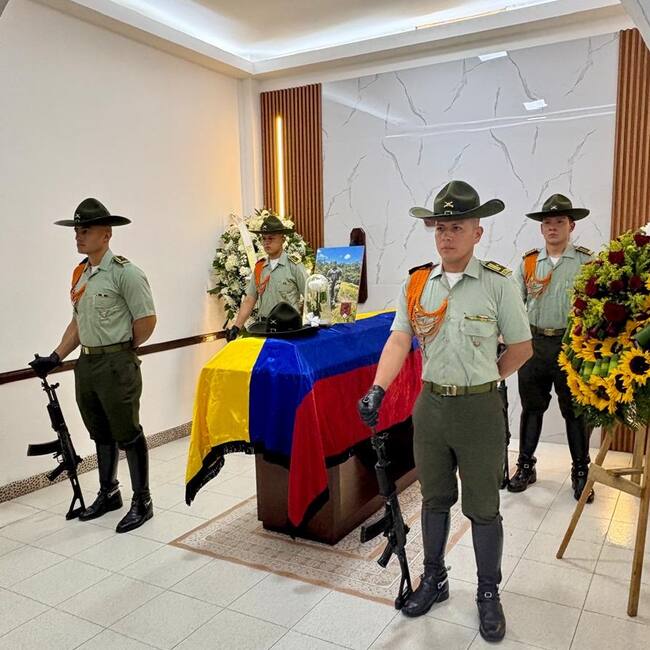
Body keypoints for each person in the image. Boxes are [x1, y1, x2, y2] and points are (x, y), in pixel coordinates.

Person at [357, 180, 532, 643]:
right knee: (434, 499)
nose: (447, 236)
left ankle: (488, 593)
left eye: (457, 227)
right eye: (440, 228)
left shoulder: (498, 283)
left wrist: (488, 378)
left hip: (479, 411)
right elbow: (400, 339)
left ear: (477, 232)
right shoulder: (417, 284)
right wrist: (377, 388)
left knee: (483, 507)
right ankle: (434, 579)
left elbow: (522, 347)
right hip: (431, 407)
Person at [29, 198, 157, 533]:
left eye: (85, 230)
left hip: (116, 363)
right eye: (76, 230)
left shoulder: (126, 273)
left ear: (106, 234)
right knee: (100, 431)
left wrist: (121, 349)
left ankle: (142, 500)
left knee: (128, 431)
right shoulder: (81, 275)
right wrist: (56, 356)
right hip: (86, 363)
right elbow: (77, 323)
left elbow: (146, 320)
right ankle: (109, 493)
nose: (78, 236)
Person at [510, 194, 595, 501]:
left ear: (571, 226)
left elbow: (597, 306)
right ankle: (525, 466)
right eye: (548, 222)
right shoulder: (528, 263)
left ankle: (581, 471)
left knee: (574, 410)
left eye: (560, 221)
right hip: (533, 345)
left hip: (571, 347)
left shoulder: (587, 262)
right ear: (541, 228)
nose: (553, 227)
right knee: (532, 407)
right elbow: (513, 305)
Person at [225, 214, 309, 342]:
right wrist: (236, 327)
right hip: (264, 328)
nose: (266, 242)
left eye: (271, 238)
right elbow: (250, 299)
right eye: (264, 238)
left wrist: (310, 323)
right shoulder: (260, 267)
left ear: (283, 239)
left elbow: (310, 297)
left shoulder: (294, 266)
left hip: (288, 331)